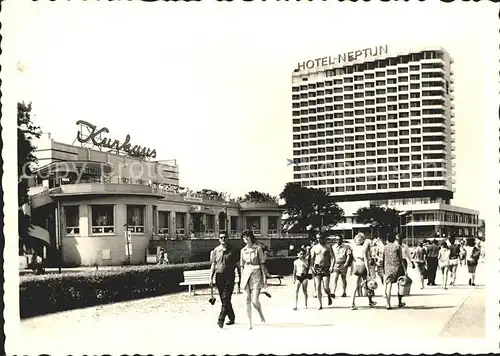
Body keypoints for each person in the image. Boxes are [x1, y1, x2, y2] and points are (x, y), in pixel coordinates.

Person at [209, 231, 241, 329]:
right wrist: (210, 278)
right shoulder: (215, 250)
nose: (223, 239)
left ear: (228, 238)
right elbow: (213, 265)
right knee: (224, 299)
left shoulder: (234, 250)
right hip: (219, 276)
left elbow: (238, 265)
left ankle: (221, 319)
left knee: (226, 297)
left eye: (225, 237)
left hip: (229, 276)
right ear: (219, 239)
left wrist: (240, 278)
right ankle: (232, 317)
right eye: (221, 237)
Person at [240, 229, 267, 330]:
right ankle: (249, 322)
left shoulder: (258, 249)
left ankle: (260, 313)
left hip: (256, 274)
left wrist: (264, 277)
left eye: (247, 236)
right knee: (247, 299)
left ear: (251, 237)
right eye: (244, 237)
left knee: (255, 301)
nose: (246, 238)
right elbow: (242, 265)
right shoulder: (242, 251)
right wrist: (241, 278)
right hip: (246, 274)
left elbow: (262, 263)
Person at [309, 231, 335, 309]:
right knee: (318, 286)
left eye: (320, 238)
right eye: (317, 238)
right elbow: (312, 259)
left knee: (326, 287)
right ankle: (320, 304)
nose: (319, 240)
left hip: (326, 267)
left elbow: (333, 257)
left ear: (323, 238)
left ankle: (329, 295)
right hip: (317, 268)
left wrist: (332, 266)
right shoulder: (314, 247)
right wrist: (312, 267)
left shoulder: (328, 246)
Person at [350, 233, 375, 310]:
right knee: (368, 285)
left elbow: (353, 259)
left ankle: (352, 303)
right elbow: (366, 259)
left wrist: (352, 269)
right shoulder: (364, 248)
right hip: (362, 265)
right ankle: (370, 301)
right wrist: (368, 270)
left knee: (355, 286)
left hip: (356, 266)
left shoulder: (353, 249)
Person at [381, 234, 406, 310]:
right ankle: (400, 302)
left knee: (388, 285)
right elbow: (401, 259)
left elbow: (383, 259)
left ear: (387, 240)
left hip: (388, 268)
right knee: (400, 285)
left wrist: (383, 269)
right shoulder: (398, 247)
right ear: (394, 239)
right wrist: (405, 269)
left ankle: (388, 304)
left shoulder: (385, 247)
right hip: (397, 267)